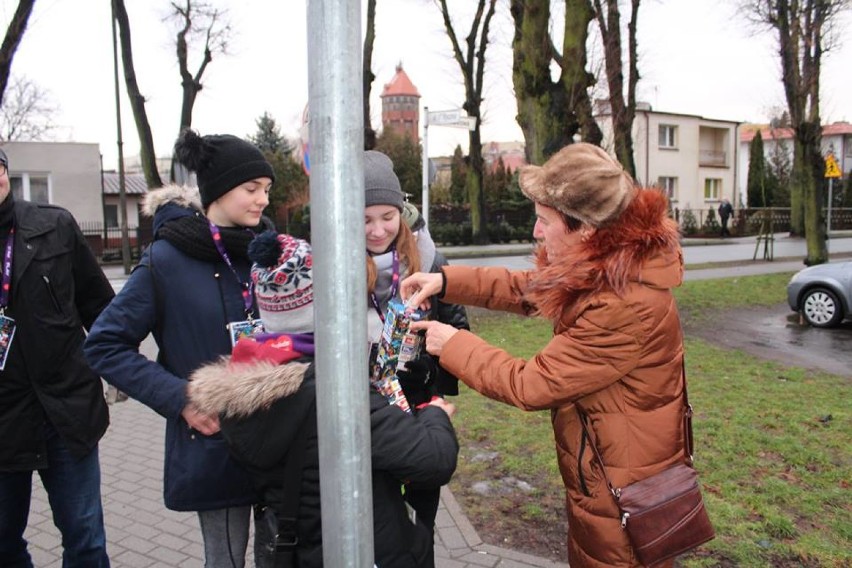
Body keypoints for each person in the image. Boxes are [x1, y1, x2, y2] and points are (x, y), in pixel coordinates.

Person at [401, 143, 687, 567]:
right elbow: (527, 288)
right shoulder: (604, 266)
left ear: (586, 229)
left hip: (624, 486)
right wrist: (445, 281)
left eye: (543, 220)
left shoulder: (623, 302)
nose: (536, 232)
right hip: (608, 467)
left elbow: (531, 384)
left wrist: (454, 343)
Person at [186, 231, 459, 567]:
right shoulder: (336, 394)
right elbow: (434, 459)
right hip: (366, 548)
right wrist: (435, 415)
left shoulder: (241, 387)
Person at [84, 129, 276, 568]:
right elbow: (104, 345)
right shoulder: (166, 261)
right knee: (224, 561)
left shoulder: (273, 253)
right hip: (215, 442)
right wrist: (181, 399)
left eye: (266, 189)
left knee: (283, 558)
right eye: (251, 189)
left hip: (281, 438)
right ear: (219, 190)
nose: (263, 199)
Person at [0, 147, 114, 567]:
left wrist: (117, 370)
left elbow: (100, 307)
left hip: (65, 412)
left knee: (85, 540)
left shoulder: (55, 225)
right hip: (3, 419)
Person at [363, 150, 469, 564]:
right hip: (371, 414)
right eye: (365, 218)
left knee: (422, 524)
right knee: (385, 528)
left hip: (420, 405)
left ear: (402, 213)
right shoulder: (334, 267)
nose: (377, 230)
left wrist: (441, 396)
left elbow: (455, 320)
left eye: (387, 216)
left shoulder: (426, 261)